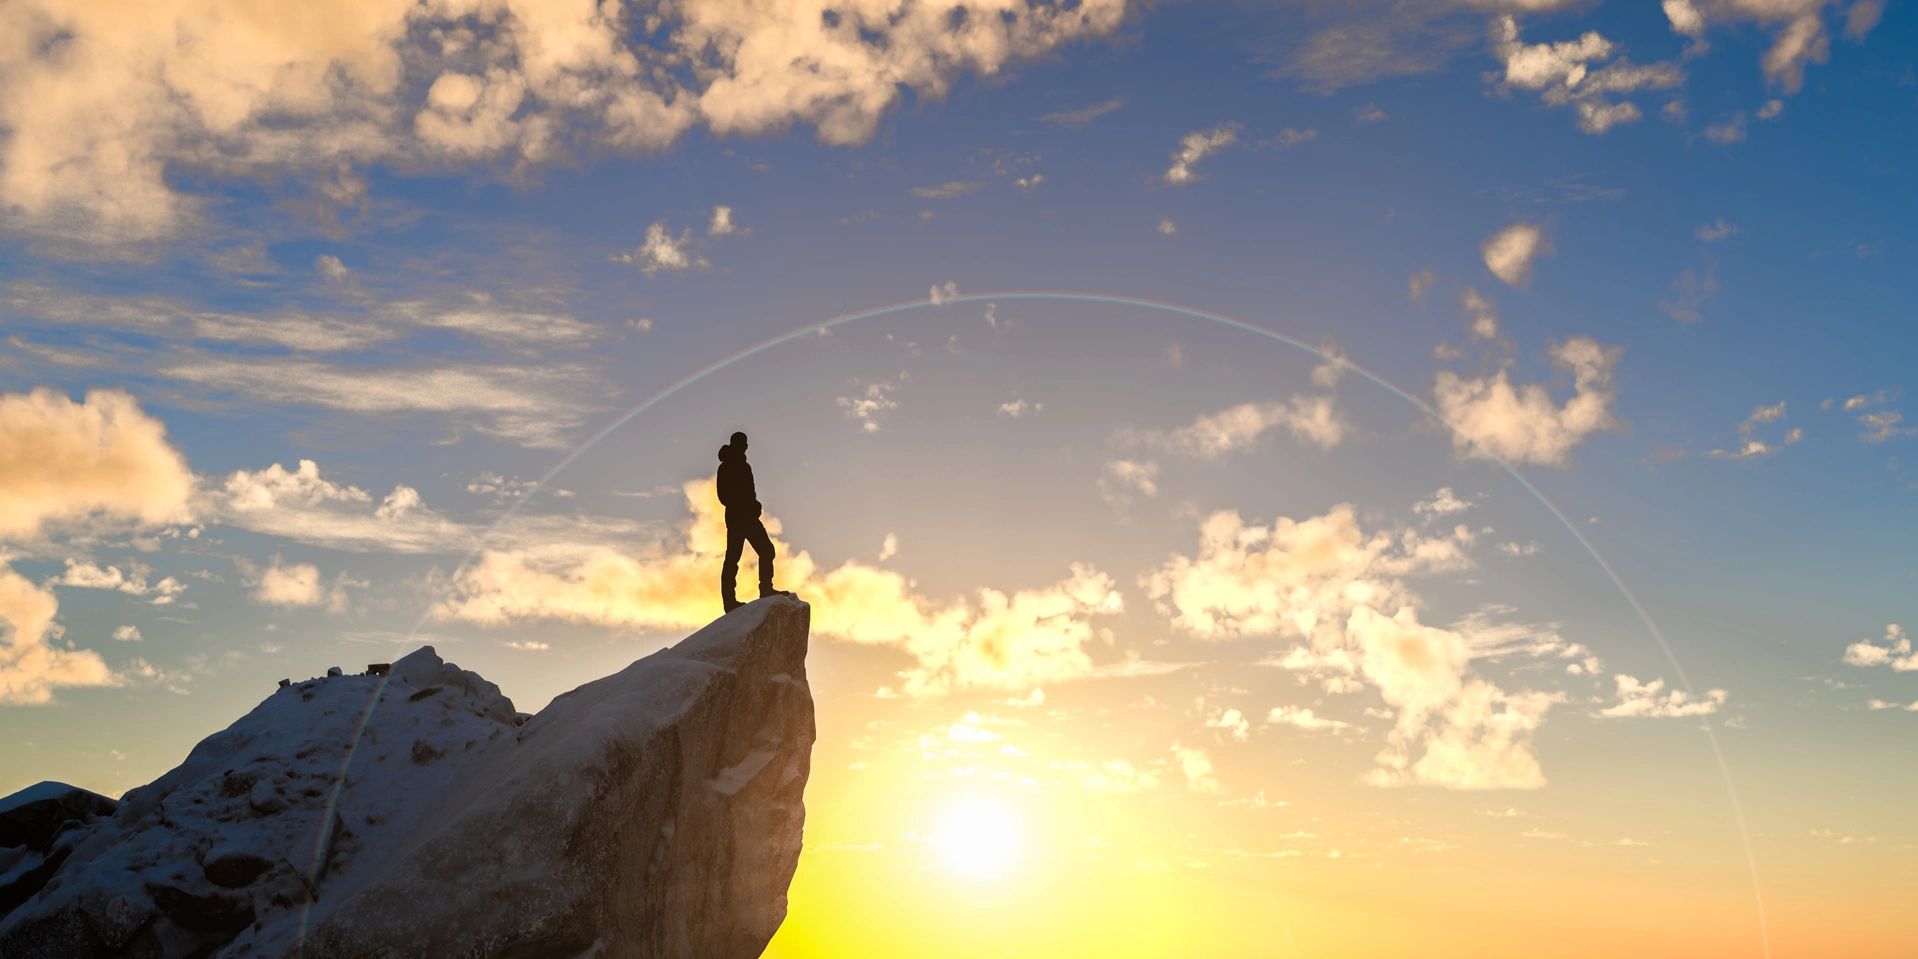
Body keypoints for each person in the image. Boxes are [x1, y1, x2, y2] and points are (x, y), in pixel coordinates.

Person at [715, 431, 787, 611]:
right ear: (736, 444)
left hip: (749, 516)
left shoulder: (745, 466)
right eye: (742, 443)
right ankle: (729, 602)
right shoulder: (726, 467)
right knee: (733, 558)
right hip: (737, 517)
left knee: (766, 550)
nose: (745, 446)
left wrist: (755, 504)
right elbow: (723, 496)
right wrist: (744, 504)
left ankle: (766, 589)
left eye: (746, 443)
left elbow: (750, 491)